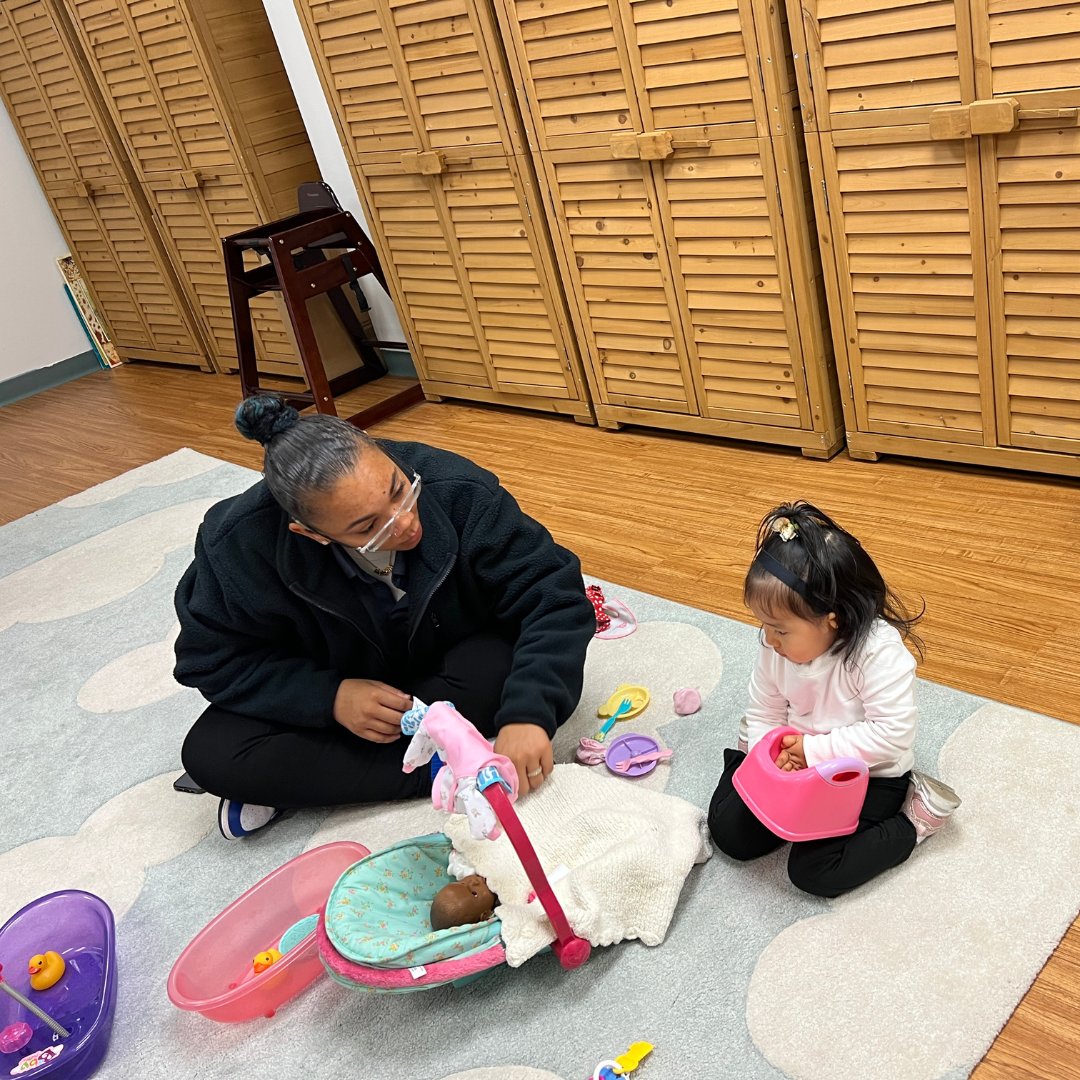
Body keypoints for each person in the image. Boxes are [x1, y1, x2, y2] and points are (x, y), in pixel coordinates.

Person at [173, 394, 595, 839]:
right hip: (338, 673)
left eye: (399, 490)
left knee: (506, 669)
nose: (405, 522)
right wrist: (330, 697)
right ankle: (455, 762)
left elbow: (553, 595)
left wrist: (528, 715)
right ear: (311, 533)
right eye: (367, 528)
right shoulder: (236, 547)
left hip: (447, 661)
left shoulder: (457, 489)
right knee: (214, 754)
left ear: (381, 451)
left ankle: (328, 778)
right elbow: (211, 659)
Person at [708, 501, 961, 897]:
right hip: (795, 758)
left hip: (865, 772)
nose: (769, 640)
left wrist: (813, 751)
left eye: (780, 630)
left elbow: (891, 736)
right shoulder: (774, 645)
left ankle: (916, 820)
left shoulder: (877, 653)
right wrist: (766, 752)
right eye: (764, 625)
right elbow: (764, 709)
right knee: (730, 834)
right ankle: (747, 752)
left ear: (833, 618)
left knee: (814, 872)